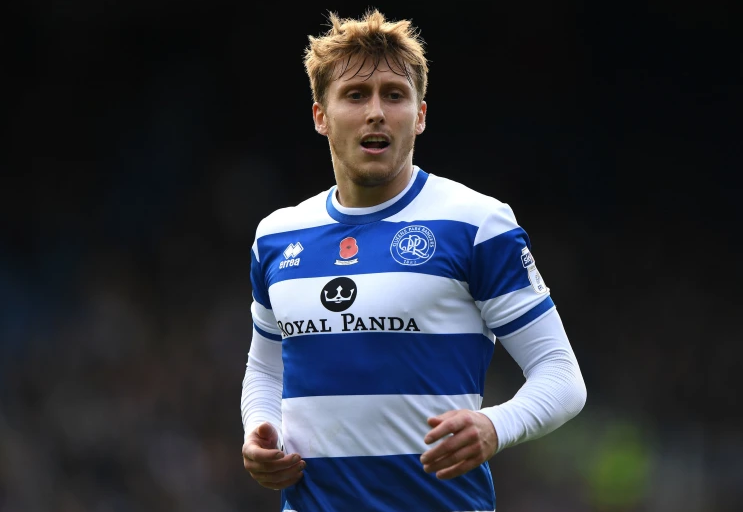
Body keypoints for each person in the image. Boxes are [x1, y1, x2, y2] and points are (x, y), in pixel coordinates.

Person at [240, 9, 587, 512]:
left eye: (394, 95)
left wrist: (495, 426)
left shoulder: (476, 224)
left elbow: (561, 374)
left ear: (420, 115)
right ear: (321, 116)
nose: (376, 112)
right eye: (355, 95)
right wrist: (259, 429)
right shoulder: (277, 236)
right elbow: (265, 370)